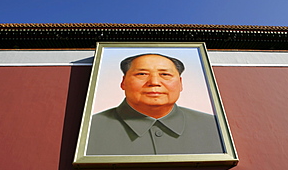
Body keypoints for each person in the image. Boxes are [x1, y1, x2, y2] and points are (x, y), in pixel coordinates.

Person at [86, 53, 224, 155]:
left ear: (181, 83)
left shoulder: (213, 127)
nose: (154, 82)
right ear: (123, 82)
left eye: (165, 75)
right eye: (142, 74)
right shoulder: (90, 129)